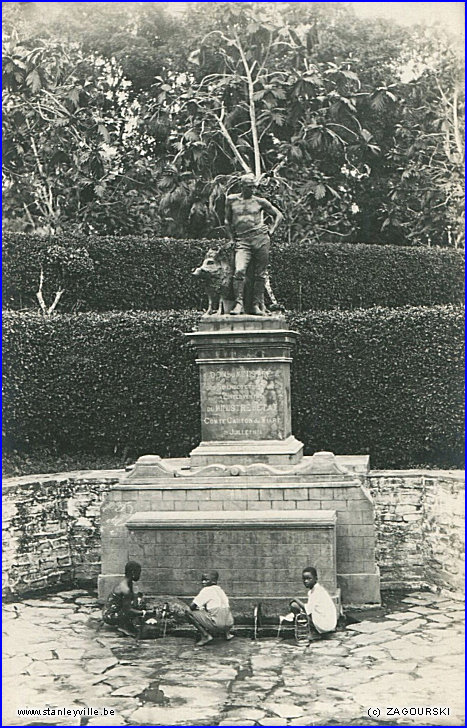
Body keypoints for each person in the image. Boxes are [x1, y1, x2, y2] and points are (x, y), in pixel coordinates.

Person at [224, 174, 283, 316]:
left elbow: (279, 215)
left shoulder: (260, 201)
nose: (252, 189)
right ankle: (239, 304)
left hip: (260, 238)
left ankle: (256, 305)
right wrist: (232, 239)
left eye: (253, 186)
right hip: (242, 240)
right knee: (239, 270)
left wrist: (271, 231)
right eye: (249, 186)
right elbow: (227, 221)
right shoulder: (231, 200)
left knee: (260, 274)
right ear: (242, 186)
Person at [187, 570, 234, 646]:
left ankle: (206, 636)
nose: (203, 582)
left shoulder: (206, 590)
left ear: (213, 581)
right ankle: (227, 634)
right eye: (202, 580)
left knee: (188, 612)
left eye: (206, 580)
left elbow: (192, 606)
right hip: (229, 623)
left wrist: (198, 609)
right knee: (221, 610)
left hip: (218, 625)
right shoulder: (220, 590)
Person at [288, 566, 337, 636]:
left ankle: (311, 630)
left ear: (316, 579)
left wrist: (296, 599)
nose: (306, 581)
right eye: (304, 579)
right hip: (329, 623)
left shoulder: (317, 591)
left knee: (294, 605)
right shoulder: (315, 590)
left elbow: (308, 609)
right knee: (300, 609)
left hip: (326, 624)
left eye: (309, 579)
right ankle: (310, 628)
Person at [102, 561, 147, 636]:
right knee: (132, 610)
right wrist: (143, 613)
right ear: (133, 572)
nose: (139, 575)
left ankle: (126, 624)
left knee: (138, 601)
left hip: (113, 610)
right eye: (138, 572)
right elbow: (127, 610)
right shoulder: (126, 589)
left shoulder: (128, 583)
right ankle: (123, 627)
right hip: (110, 616)